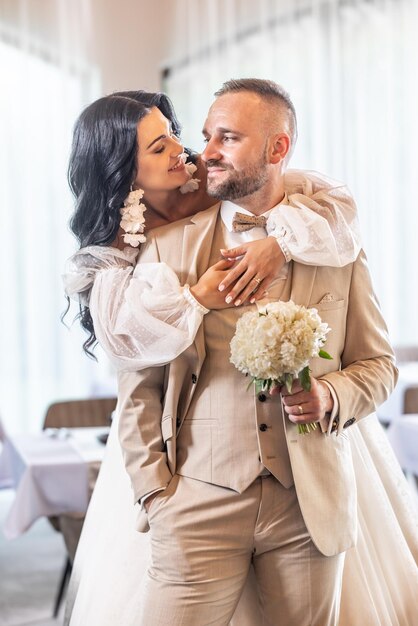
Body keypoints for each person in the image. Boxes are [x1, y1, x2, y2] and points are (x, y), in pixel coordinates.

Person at [63, 87, 417, 625]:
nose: (201, 153)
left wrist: (328, 393)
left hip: (309, 504)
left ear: (277, 149)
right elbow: (139, 390)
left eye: (225, 137)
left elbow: (379, 365)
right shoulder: (155, 252)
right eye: (202, 137)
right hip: (195, 504)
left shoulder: (328, 239)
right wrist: (157, 496)